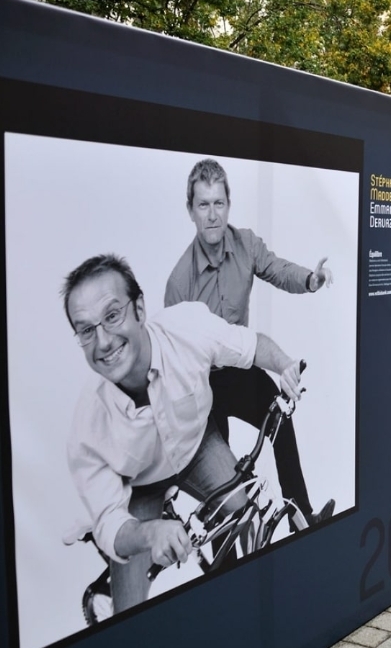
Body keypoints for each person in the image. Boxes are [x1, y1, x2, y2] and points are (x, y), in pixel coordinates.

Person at [64, 254, 305, 613]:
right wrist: (149, 532)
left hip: (197, 445)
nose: (103, 342)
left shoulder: (188, 327)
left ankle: (237, 601)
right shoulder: (88, 426)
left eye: (112, 315)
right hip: (140, 486)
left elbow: (251, 346)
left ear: (140, 309)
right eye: (86, 330)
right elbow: (111, 523)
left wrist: (285, 365)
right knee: (128, 612)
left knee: (242, 508)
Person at [164, 159, 334, 528]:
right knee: (224, 487)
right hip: (201, 384)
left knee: (279, 417)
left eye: (219, 203)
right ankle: (226, 548)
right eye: (203, 205)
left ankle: (301, 517)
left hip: (240, 367)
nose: (212, 215)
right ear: (190, 210)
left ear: (229, 205)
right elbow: (174, 361)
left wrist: (311, 279)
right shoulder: (179, 282)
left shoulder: (246, 244)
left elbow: (278, 269)